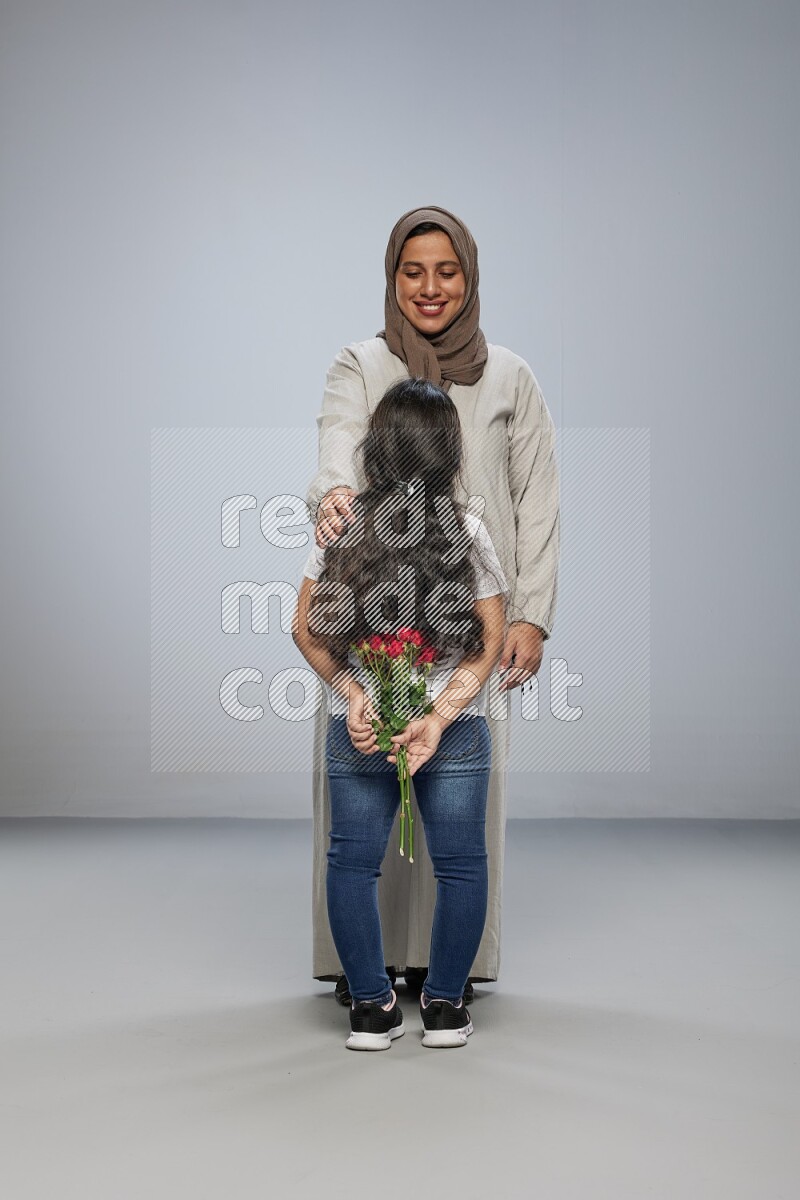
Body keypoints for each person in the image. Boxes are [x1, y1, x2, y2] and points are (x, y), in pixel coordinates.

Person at [305, 204, 560, 1006]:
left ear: (470, 277)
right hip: (373, 612)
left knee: (458, 804)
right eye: (412, 271)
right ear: (392, 278)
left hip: (468, 619)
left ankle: (456, 972)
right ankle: (362, 971)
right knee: (362, 804)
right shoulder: (360, 361)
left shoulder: (510, 375)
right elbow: (338, 439)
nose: (430, 287)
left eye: (446, 271)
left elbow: (539, 495)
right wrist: (338, 497)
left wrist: (530, 613)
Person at [292, 377, 512, 1049]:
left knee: (351, 863)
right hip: (455, 731)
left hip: (356, 730)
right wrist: (440, 716)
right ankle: (444, 1008)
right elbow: (492, 636)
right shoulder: (466, 528)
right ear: (448, 452)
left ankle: (371, 1009)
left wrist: (355, 695)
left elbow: (303, 628)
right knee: (463, 864)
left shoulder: (344, 524)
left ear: (375, 451)